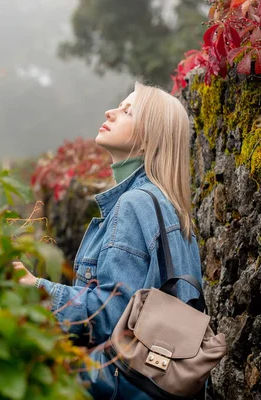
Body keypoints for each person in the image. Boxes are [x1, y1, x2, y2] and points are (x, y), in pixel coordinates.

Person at [13, 82, 203, 399]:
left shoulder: (134, 205)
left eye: (128, 111)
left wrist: (36, 288)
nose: (110, 112)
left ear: (147, 141)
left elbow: (109, 315)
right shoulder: (168, 205)